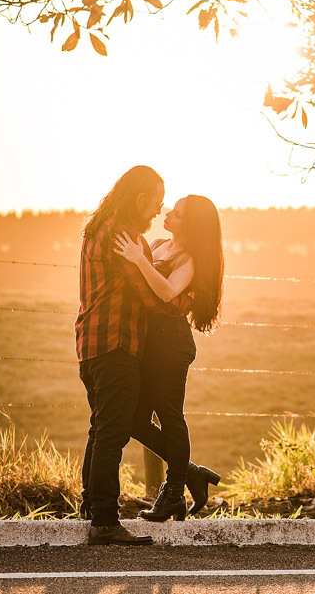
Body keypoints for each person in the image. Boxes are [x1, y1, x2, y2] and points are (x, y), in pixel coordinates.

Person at [115, 194, 223, 521]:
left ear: (191, 225)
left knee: (170, 416)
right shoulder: (158, 244)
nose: (167, 214)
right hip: (148, 343)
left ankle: (174, 491)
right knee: (134, 419)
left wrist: (139, 260)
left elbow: (165, 292)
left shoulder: (189, 260)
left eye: (176, 213)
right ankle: (191, 473)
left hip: (171, 343)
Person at [76, 165, 165, 546]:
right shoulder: (124, 235)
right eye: (156, 202)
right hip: (117, 343)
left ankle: (91, 508)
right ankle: (105, 522)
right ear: (141, 198)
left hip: (91, 345)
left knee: (101, 429)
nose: (158, 211)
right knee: (112, 435)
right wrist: (180, 295)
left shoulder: (100, 226)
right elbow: (149, 297)